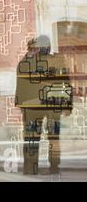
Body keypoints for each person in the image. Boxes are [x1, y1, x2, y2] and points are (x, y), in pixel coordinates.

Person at [15, 35, 72, 175]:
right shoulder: (57, 60)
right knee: (53, 137)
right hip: (53, 104)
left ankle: (30, 167)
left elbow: (21, 82)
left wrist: (21, 105)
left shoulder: (27, 61)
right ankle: (53, 167)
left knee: (32, 137)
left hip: (33, 105)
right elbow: (66, 82)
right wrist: (67, 105)